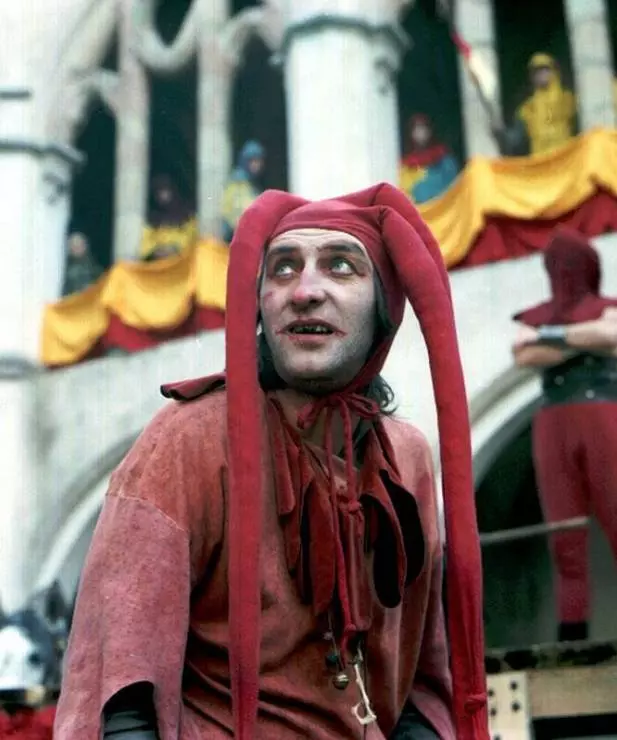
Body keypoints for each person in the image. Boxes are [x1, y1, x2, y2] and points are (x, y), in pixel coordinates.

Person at [54, 183, 488, 739]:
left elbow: (421, 685)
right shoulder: (187, 438)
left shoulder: (407, 456)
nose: (305, 291)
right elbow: (122, 690)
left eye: (340, 266)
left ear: (384, 309)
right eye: (283, 269)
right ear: (258, 305)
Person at [512, 227, 617, 642]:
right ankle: (572, 632)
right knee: (564, 532)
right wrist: (586, 337)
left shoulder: (606, 309)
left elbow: (612, 336)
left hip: (603, 415)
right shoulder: (537, 315)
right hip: (554, 422)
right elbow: (524, 354)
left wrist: (549, 335)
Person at [494, 53, 576, 157]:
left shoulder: (567, 99)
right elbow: (515, 141)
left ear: (554, 72)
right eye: (537, 71)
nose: (541, 74)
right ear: (532, 77)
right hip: (541, 161)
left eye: (545, 69)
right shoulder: (527, 109)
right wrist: (501, 133)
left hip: (566, 160)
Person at [399, 115, 459, 204]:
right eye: (416, 128)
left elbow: (454, 186)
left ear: (430, 130)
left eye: (423, 127)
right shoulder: (405, 164)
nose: (420, 132)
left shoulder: (444, 157)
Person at [140, 174, 197, 261]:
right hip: (158, 265)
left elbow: (199, 247)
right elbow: (142, 250)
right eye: (157, 190)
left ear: (175, 189)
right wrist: (158, 252)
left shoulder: (191, 219)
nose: (162, 195)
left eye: (165, 188)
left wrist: (176, 251)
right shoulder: (150, 222)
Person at [220, 140, 266, 243]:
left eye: (259, 161)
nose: (257, 165)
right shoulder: (237, 182)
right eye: (253, 161)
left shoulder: (253, 183)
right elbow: (230, 211)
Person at [61, 232, 103, 296]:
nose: (76, 249)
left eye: (79, 245)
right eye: (73, 246)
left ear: (85, 246)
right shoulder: (65, 268)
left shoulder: (94, 268)